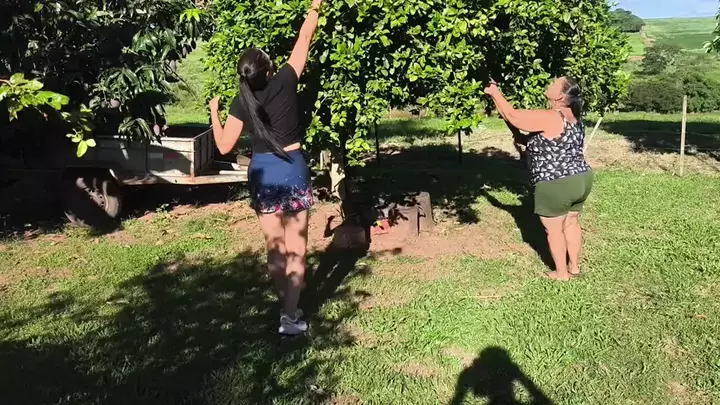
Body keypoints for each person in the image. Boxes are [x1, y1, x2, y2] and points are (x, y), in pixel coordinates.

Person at [208, 0, 323, 335]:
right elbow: (304, 38)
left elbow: (224, 146)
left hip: (262, 173)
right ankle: (290, 317)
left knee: (275, 246)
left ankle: (287, 306)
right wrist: (315, 7)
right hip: (292, 168)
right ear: (269, 71)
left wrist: (214, 112)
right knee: (296, 248)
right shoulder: (286, 80)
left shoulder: (241, 100)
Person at [484, 77, 593, 281]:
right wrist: (524, 139)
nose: (550, 83)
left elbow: (513, 115)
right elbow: (551, 141)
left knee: (554, 230)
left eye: (555, 83)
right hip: (581, 178)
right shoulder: (574, 117)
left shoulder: (551, 116)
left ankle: (561, 274)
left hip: (556, 182)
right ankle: (574, 267)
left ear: (560, 96)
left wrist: (494, 92)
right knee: (571, 222)